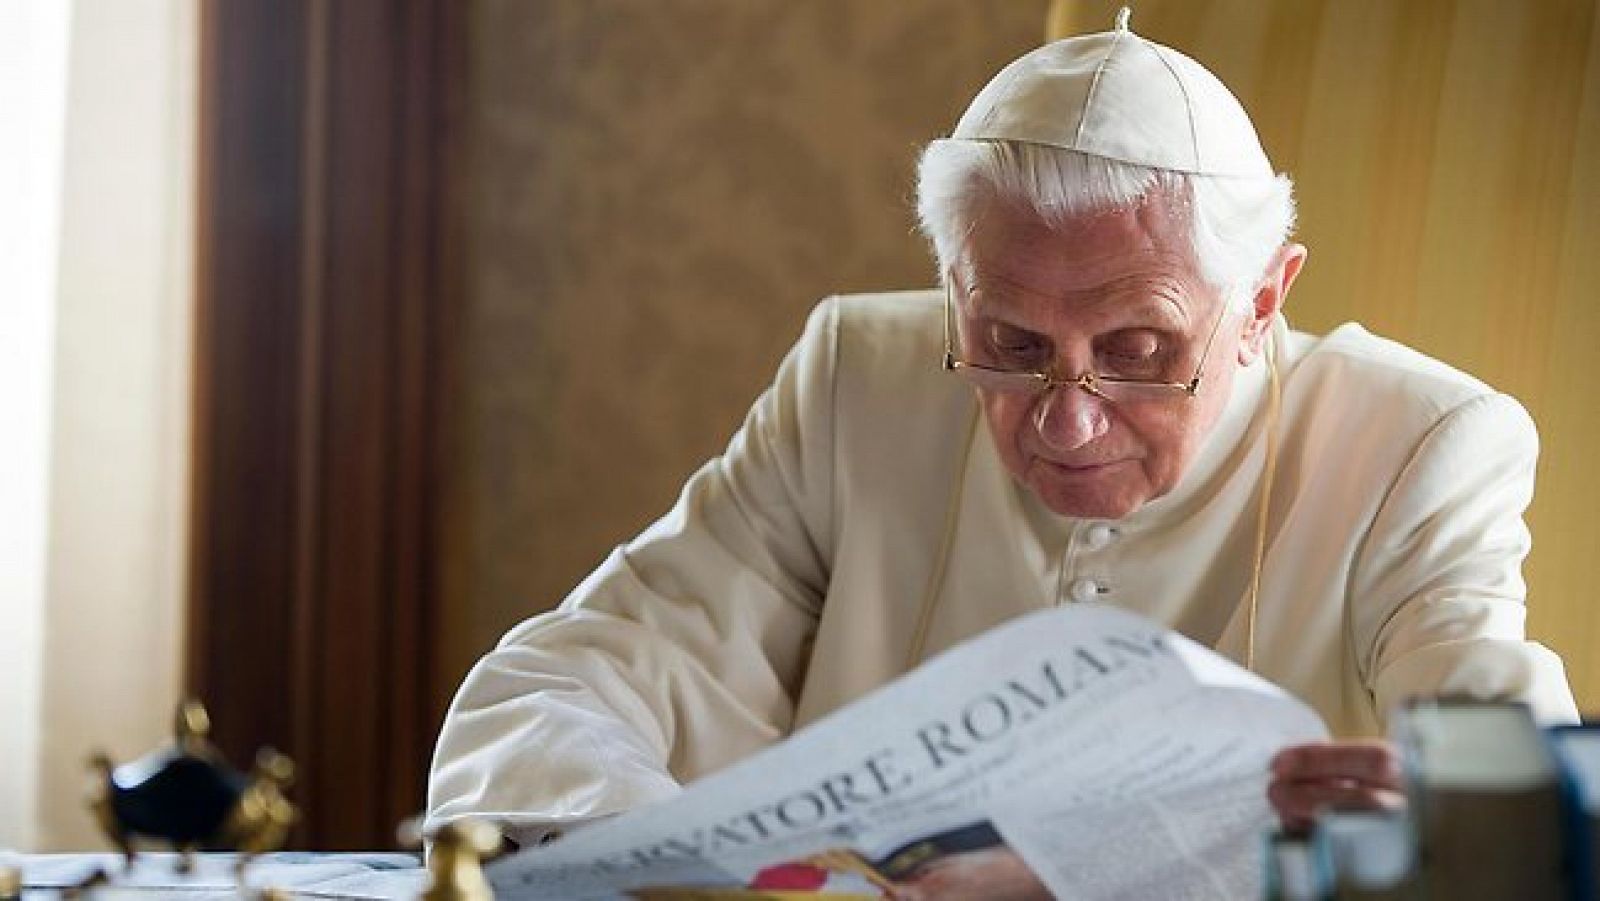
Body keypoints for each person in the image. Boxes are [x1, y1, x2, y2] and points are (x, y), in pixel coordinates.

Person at [426, 10, 1578, 852]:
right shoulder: (856, 380)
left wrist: (1432, 819)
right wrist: (669, 863)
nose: (1065, 420)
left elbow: (1503, 777)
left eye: (1137, 352)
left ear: (1261, 304)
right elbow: (561, 685)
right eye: (1010, 345)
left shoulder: (1420, 443)